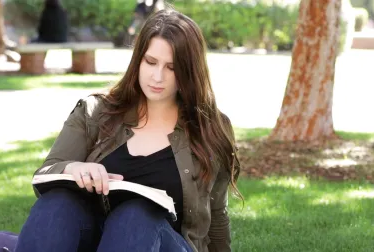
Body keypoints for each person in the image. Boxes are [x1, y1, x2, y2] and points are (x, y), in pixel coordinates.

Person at [15, 8, 241, 252]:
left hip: (166, 244)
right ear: (138, 59)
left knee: (134, 215)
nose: (157, 76)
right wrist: (75, 168)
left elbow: (217, 215)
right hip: (94, 238)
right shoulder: (95, 112)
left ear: (189, 70)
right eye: (151, 62)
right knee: (57, 203)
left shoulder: (210, 127)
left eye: (171, 68)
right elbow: (48, 171)